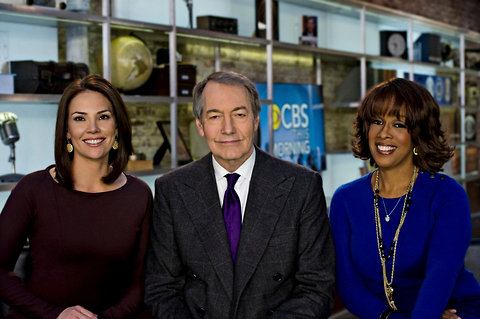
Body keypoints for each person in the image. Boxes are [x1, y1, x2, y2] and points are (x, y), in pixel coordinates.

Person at [144, 71, 335, 318]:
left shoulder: (302, 185)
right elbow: (161, 288)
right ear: (200, 125)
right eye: (215, 116)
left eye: (239, 114)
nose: (228, 128)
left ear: (256, 120)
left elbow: (317, 287)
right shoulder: (173, 189)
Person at [0, 74, 153, 319]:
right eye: (80, 118)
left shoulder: (139, 195)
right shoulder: (33, 189)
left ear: (117, 126)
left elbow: (141, 281)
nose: (93, 128)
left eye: (103, 117)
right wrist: (55, 315)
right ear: (68, 131)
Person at [329, 78, 480, 319]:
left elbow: (440, 277)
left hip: (452, 310)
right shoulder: (345, 200)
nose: (383, 133)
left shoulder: (448, 196)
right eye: (377, 121)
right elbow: (348, 284)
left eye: (398, 124)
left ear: (418, 134)